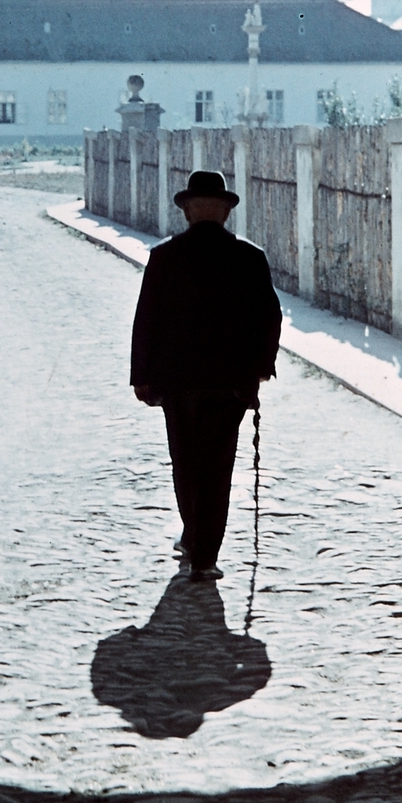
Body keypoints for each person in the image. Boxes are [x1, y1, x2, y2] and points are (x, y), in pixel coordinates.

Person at [130, 169, 282, 583]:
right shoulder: (250, 258)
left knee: (185, 461)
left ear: (188, 213)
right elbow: (270, 319)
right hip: (230, 383)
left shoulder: (165, 257)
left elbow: (146, 320)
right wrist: (261, 369)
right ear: (224, 213)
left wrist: (141, 376)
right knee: (217, 466)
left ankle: (194, 535)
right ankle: (204, 555)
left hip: (178, 382)